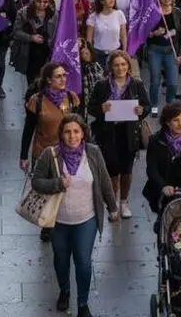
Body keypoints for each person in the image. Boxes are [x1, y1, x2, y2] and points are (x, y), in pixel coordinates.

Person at [30, 115, 120, 317]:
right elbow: (36, 182)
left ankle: (82, 303)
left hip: (86, 219)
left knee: (83, 261)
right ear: (61, 134)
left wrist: (113, 207)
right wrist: (57, 184)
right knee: (61, 259)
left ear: (83, 133)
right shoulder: (50, 154)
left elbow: (104, 182)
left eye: (76, 131)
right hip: (57, 221)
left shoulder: (93, 153)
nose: (72, 136)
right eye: (68, 132)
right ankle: (64, 290)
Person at [19, 61, 82, 241]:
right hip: (44, 152)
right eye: (58, 76)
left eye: (64, 75)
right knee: (49, 188)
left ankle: (65, 221)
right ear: (48, 80)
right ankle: (47, 223)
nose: (63, 79)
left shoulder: (71, 98)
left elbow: (80, 125)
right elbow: (28, 129)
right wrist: (23, 155)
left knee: (67, 188)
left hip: (68, 152)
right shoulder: (36, 101)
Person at [88, 50, 150, 220]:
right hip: (109, 133)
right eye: (116, 65)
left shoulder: (136, 84)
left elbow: (148, 106)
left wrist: (142, 110)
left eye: (123, 64)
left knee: (127, 169)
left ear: (128, 65)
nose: (120, 68)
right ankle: (112, 203)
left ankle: (124, 202)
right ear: (111, 67)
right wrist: (101, 109)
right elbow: (91, 107)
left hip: (129, 133)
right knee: (112, 169)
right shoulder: (102, 86)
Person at [145, 0, 181, 108]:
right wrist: (153, 33)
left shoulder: (178, 13)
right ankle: (154, 107)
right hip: (155, 50)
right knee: (155, 80)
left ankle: (169, 104)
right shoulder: (153, 12)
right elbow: (144, 33)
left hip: (171, 51)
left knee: (173, 83)